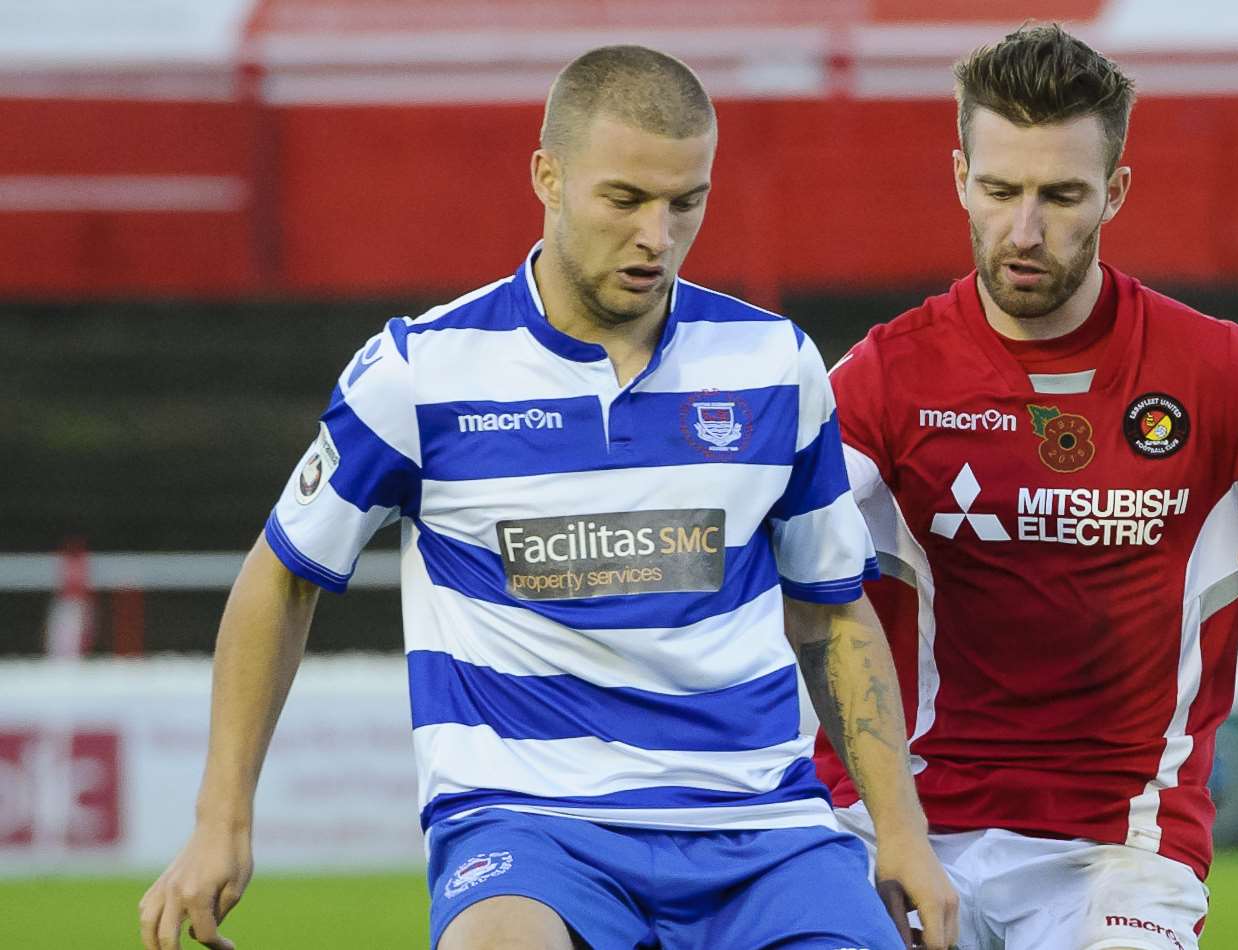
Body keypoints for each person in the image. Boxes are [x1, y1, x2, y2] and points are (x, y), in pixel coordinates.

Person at [138, 45, 956, 950]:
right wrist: (222, 820)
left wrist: (901, 831)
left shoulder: (774, 364)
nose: (659, 235)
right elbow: (281, 579)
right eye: (626, 200)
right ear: (548, 175)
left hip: (762, 833)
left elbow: (832, 615)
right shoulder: (420, 373)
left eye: (687, 202)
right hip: (527, 829)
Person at [817, 23, 1238, 950]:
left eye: (1062, 195)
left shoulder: (1223, 374)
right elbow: (756, 550)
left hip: (1121, 854)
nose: (1025, 229)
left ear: (1114, 191)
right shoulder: (883, 377)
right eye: (1000, 190)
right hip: (900, 830)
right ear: (960, 177)